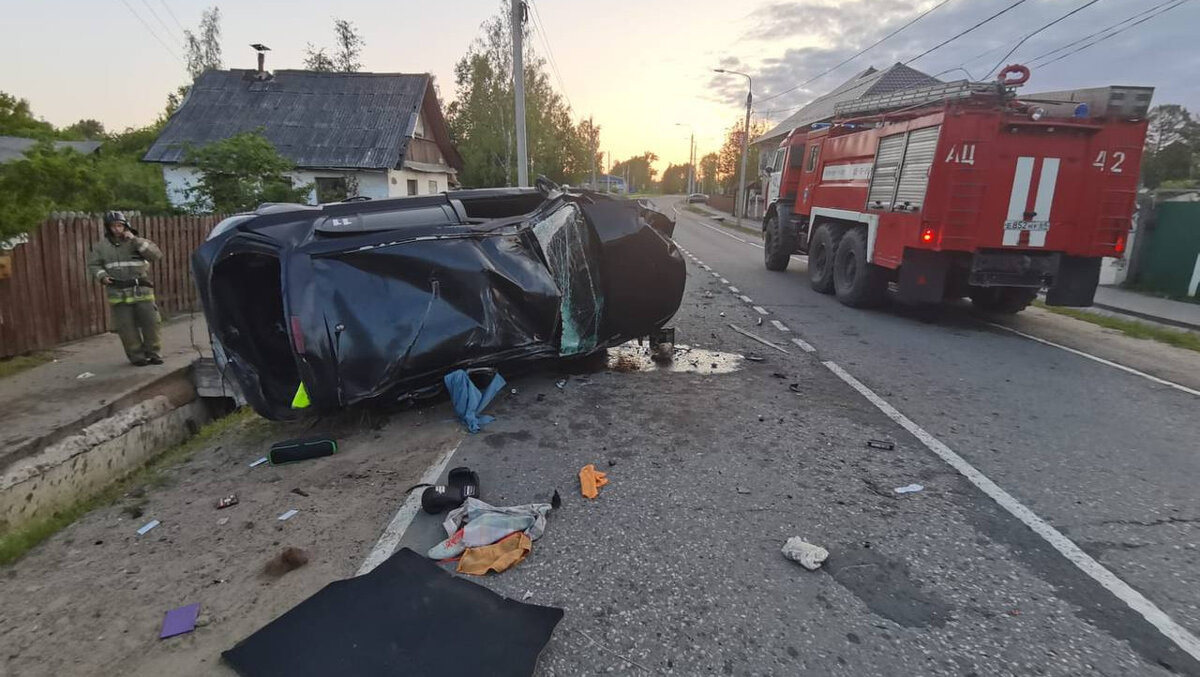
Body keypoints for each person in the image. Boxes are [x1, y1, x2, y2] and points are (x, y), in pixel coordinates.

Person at [86, 211, 164, 366]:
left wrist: (135, 241)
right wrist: (102, 276)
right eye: (113, 226)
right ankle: (137, 357)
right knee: (126, 328)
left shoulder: (137, 242)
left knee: (151, 324)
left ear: (125, 225)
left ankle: (154, 353)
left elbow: (155, 255)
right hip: (118, 292)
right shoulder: (101, 247)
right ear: (108, 228)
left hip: (141, 290)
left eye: (119, 225)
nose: (117, 229)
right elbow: (93, 264)